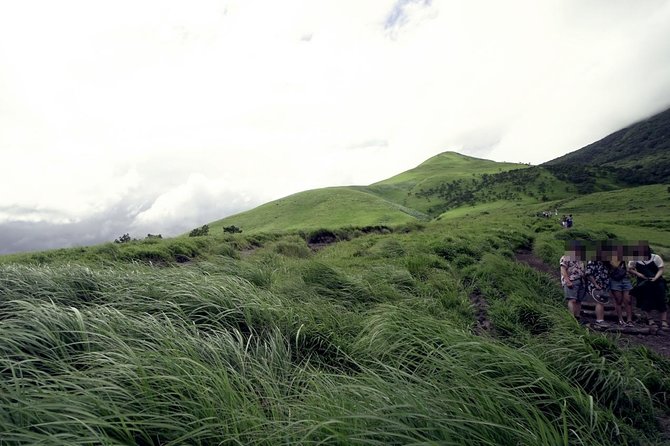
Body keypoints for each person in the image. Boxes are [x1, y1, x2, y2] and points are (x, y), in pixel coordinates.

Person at [629, 246, 667, 329]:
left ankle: (663, 321)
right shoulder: (635, 259)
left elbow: (661, 269)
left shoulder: (655, 257)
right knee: (646, 300)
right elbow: (630, 268)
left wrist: (655, 278)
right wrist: (638, 274)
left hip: (657, 281)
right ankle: (650, 319)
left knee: (661, 299)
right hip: (644, 282)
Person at [607, 244, 634, 326]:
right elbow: (614, 265)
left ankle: (629, 320)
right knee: (618, 300)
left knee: (628, 300)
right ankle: (620, 319)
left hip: (625, 278)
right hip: (614, 279)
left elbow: (630, 265)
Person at [560, 241, 586, 319]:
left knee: (579, 300)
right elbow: (563, 269)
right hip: (571, 280)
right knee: (572, 299)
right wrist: (567, 281)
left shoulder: (580, 259)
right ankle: (571, 317)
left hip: (581, 281)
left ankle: (577, 316)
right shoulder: (566, 257)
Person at [585, 254, 609, 325]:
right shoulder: (592, 260)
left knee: (602, 301)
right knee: (600, 302)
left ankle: (600, 319)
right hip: (596, 284)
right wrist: (595, 284)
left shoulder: (605, 261)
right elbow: (588, 273)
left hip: (604, 284)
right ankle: (600, 320)